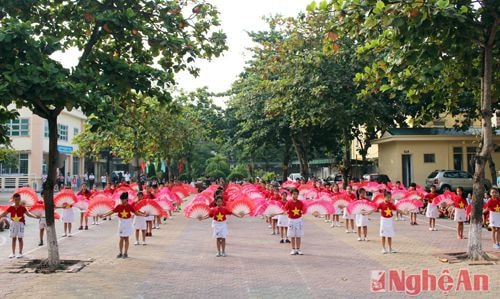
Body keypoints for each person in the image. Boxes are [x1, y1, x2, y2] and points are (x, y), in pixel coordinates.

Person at [101, 192, 146, 258]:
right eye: (121, 200)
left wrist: (143, 215)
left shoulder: (129, 206)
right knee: (121, 238)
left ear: (126, 199)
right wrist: (104, 215)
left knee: (126, 238)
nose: (121, 201)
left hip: (128, 223)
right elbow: (112, 211)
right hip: (121, 223)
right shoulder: (119, 206)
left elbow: (136, 213)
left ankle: (125, 253)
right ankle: (120, 252)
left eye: (123, 199)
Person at [0, 193, 39, 258]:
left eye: (18, 199)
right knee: (13, 238)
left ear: (20, 199)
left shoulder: (23, 207)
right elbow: (4, 213)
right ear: (13, 200)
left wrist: (35, 216)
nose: (17, 201)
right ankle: (13, 253)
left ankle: (20, 253)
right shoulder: (11, 207)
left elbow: (28, 214)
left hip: (20, 224)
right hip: (13, 223)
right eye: (15, 200)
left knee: (20, 238)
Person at [283, 188, 305, 255]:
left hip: (298, 220)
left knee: (298, 235)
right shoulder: (288, 202)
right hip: (291, 220)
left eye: (297, 194)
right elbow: (285, 210)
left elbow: (304, 210)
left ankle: (298, 249)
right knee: (292, 235)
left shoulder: (300, 202)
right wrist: (285, 212)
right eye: (294, 194)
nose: (295, 196)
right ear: (291, 194)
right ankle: (293, 249)